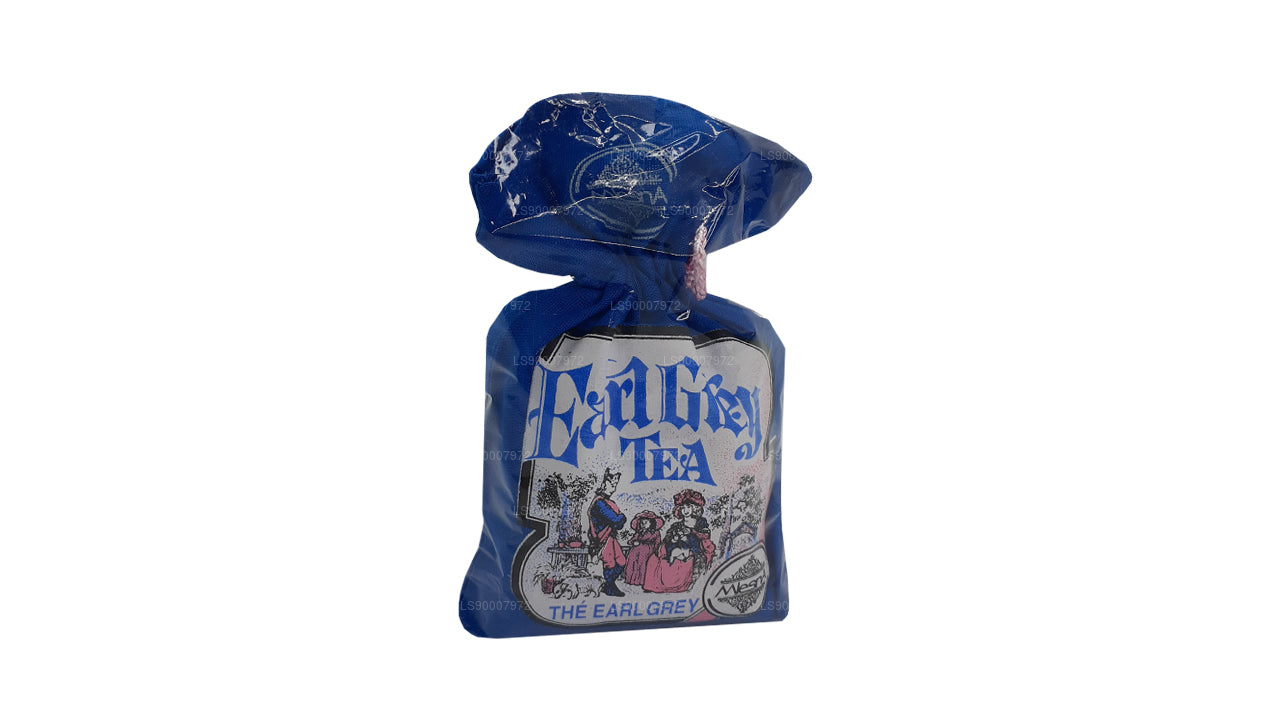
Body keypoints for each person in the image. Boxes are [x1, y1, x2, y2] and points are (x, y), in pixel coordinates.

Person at [643, 489, 715, 593]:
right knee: (654, 558)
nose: (685, 510)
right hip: (673, 548)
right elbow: (667, 538)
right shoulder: (676, 525)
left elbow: (703, 542)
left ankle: (678, 586)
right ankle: (653, 585)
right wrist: (672, 539)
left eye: (688, 507)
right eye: (683, 507)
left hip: (692, 551)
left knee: (683, 559)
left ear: (695, 508)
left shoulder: (701, 525)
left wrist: (689, 539)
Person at [588, 468, 627, 596]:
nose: (614, 489)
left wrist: (619, 519)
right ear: (604, 483)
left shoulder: (608, 502)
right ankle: (609, 587)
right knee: (610, 563)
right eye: (612, 484)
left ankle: (608, 585)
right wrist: (621, 517)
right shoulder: (599, 503)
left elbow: (618, 524)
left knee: (621, 561)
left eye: (615, 485)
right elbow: (616, 520)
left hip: (611, 536)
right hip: (602, 538)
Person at [623, 511, 663, 587]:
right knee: (632, 558)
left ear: (651, 523)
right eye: (642, 523)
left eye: (646, 523)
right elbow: (631, 540)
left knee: (642, 560)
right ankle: (632, 579)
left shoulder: (655, 533)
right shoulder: (639, 533)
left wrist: (656, 549)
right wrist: (633, 542)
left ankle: (642, 580)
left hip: (648, 550)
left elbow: (657, 543)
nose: (644, 525)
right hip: (637, 549)